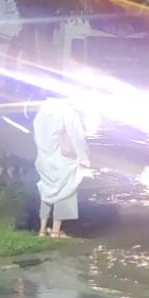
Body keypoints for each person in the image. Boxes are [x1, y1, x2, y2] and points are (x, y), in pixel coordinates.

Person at [32, 97, 90, 238]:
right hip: (63, 160)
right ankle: (56, 231)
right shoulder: (67, 113)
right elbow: (77, 137)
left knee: (47, 192)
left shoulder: (41, 114)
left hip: (43, 159)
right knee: (65, 192)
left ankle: (42, 230)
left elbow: (37, 138)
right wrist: (84, 158)